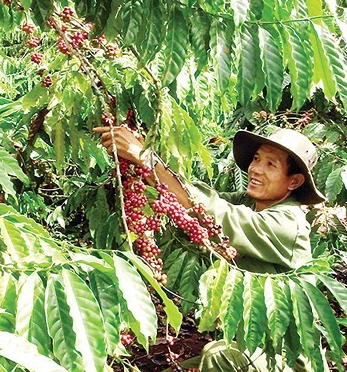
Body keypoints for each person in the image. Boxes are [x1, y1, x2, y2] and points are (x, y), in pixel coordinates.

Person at [93, 125, 327, 371]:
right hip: (248, 349)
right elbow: (185, 199)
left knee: (217, 356)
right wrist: (141, 160)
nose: (256, 169)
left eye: (271, 165)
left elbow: (211, 215)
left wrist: (143, 156)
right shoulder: (248, 203)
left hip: (286, 359)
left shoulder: (288, 223)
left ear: (294, 181)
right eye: (256, 159)